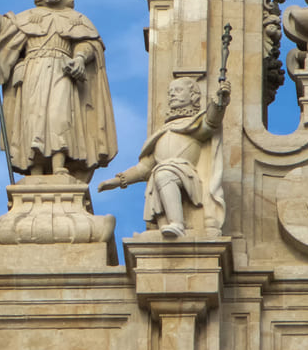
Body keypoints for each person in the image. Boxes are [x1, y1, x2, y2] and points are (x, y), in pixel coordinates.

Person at [0, 0, 116, 182]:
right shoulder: (27, 17)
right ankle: (34, 170)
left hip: (62, 71)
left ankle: (59, 164)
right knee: (33, 118)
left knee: (59, 117)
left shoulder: (77, 19)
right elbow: (1, 25)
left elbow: (88, 43)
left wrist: (79, 59)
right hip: (32, 72)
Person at [98, 78, 229, 237]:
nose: (172, 94)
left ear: (194, 97)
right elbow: (144, 168)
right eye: (170, 92)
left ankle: (177, 224)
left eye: (178, 90)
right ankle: (163, 226)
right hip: (161, 173)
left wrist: (219, 101)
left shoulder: (194, 124)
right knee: (157, 177)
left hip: (184, 173)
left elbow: (212, 121)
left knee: (164, 174)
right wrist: (118, 180)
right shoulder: (164, 131)